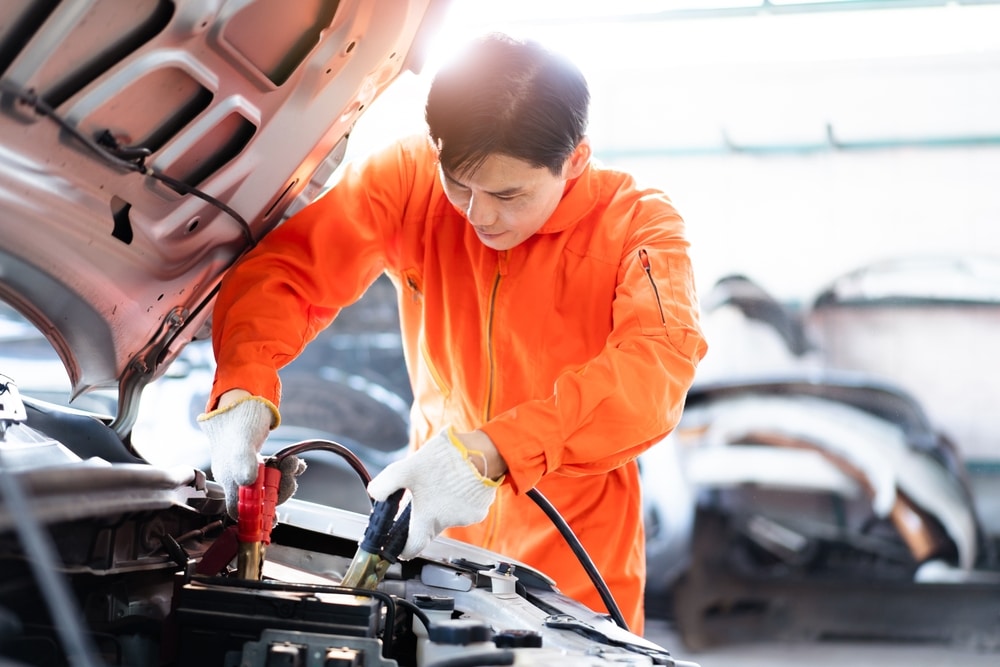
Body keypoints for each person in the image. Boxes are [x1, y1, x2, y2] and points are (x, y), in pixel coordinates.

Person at [197, 32, 707, 634]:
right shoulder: (409, 180)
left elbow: (655, 367)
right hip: (430, 526)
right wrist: (242, 387)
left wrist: (497, 451)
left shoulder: (638, 224)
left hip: (575, 550)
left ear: (574, 161)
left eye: (508, 194)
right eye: (460, 185)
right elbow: (290, 272)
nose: (478, 215)